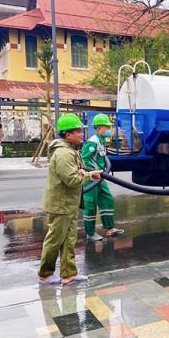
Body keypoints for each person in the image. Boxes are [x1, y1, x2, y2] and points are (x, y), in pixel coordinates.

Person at [38, 114, 102, 285]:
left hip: (68, 204)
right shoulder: (64, 153)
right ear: (68, 135)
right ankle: (45, 274)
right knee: (55, 240)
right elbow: (72, 179)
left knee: (68, 240)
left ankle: (69, 274)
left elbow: (77, 172)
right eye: (78, 131)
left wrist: (84, 173)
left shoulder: (71, 151)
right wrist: (89, 175)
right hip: (60, 205)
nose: (82, 134)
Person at [81, 113, 124, 241]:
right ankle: (90, 232)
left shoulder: (102, 141)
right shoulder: (92, 142)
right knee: (90, 204)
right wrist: (93, 173)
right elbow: (84, 159)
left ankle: (110, 228)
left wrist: (103, 172)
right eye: (106, 127)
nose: (109, 130)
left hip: (100, 177)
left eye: (109, 127)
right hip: (91, 179)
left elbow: (101, 158)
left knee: (107, 199)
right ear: (99, 129)